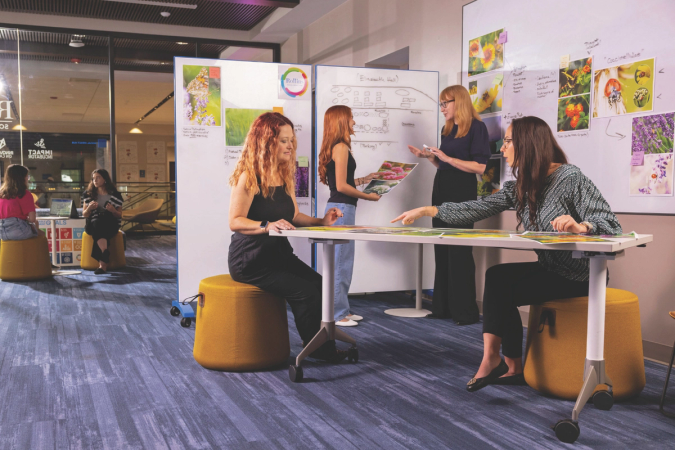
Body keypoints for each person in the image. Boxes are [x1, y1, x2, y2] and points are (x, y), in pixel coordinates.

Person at [392, 116, 621, 392]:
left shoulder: (570, 178)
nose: (502, 148)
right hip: (551, 269)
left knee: (502, 283)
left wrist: (581, 226)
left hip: (580, 276)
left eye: (508, 141)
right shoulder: (524, 183)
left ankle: (498, 362)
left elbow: (611, 224)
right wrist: (429, 210)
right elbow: (478, 208)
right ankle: (504, 363)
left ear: (527, 144)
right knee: (498, 277)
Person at [228, 112, 348, 363]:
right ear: (265, 142)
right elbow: (235, 221)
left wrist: (322, 221)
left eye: (291, 140)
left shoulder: (283, 175)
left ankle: (314, 341)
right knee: (306, 292)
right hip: (251, 261)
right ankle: (319, 350)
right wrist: (266, 225)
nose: (290, 145)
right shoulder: (249, 177)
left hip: (279, 255)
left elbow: (294, 216)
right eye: (284, 141)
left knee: (319, 284)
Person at [407, 85, 491, 325]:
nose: (442, 109)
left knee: (459, 251)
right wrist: (430, 157)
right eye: (441, 104)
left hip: (462, 191)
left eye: (446, 103)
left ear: (460, 101)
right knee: (441, 247)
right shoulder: (448, 129)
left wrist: (447, 158)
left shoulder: (477, 128)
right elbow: (444, 165)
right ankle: (442, 308)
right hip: (442, 188)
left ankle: (464, 311)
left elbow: (480, 167)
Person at [318, 105, 381, 327]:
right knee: (341, 262)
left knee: (342, 261)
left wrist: (365, 179)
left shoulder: (336, 146)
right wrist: (368, 197)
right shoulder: (341, 147)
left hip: (340, 208)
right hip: (342, 210)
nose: (354, 122)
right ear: (342, 121)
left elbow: (340, 182)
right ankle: (337, 314)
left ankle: (341, 309)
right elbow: (342, 187)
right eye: (351, 118)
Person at [82, 169, 123, 274]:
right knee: (97, 222)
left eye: (98, 177)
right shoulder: (88, 194)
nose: (95, 180)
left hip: (110, 225)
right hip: (92, 225)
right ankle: (104, 256)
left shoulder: (115, 195)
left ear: (105, 179)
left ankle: (103, 260)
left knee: (101, 225)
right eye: (93, 178)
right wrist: (89, 208)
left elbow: (119, 215)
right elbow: (85, 214)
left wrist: (113, 210)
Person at [0, 164, 46, 241]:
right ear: (21, 178)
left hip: (2, 233)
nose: (28, 179)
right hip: (19, 231)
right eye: (27, 176)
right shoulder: (24, 194)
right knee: (41, 234)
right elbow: (32, 219)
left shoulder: (1, 194)